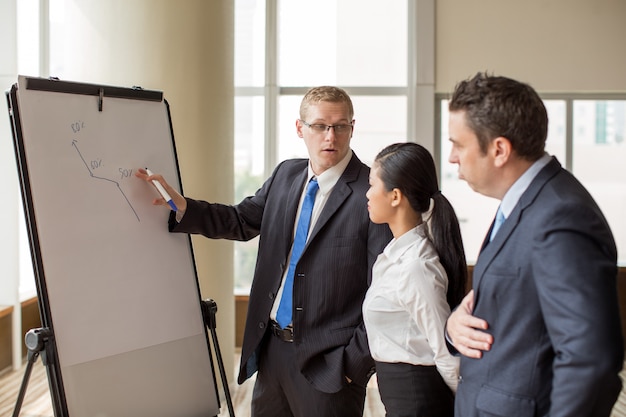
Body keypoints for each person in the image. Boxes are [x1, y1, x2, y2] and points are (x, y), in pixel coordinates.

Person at [136, 86, 393, 417]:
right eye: (320, 126)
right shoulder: (287, 175)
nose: (331, 136)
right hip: (272, 352)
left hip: (329, 364)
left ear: (352, 128)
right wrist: (183, 205)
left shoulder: (371, 192)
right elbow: (241, 221)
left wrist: (352, 366)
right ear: (300, 129)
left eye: (340, 126)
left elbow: (385, 291)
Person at [444, 72, 624, 416]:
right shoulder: (524, 203)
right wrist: (454, 326)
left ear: (498, 149)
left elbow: (590, 361)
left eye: (458, 144)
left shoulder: (561, 216)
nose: (452, 157)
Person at [363, 142, 466, 417]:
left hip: (420, 403)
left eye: (373, 184)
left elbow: (445, 352)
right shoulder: (394, 255)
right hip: (400, 400)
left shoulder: (417, 266)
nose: (367, 194)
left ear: (395, 196)